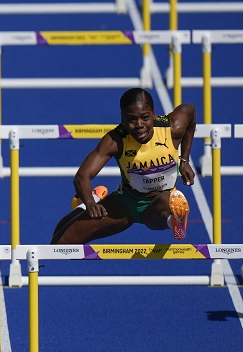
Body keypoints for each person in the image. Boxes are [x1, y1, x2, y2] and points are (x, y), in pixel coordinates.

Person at [50, 88, 195, 244]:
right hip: (126, 202)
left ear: (153, 113)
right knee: (60, 243)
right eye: (131, 120)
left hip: (160, 201)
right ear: (122, 119)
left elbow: (190, 112)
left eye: (145, 117)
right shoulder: (116, 140)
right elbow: (82, 176)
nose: (139, 125)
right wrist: (90, 204)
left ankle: (174, 220)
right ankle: (89, 202)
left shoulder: (171, 128)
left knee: (167, 202)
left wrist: (184, 160)